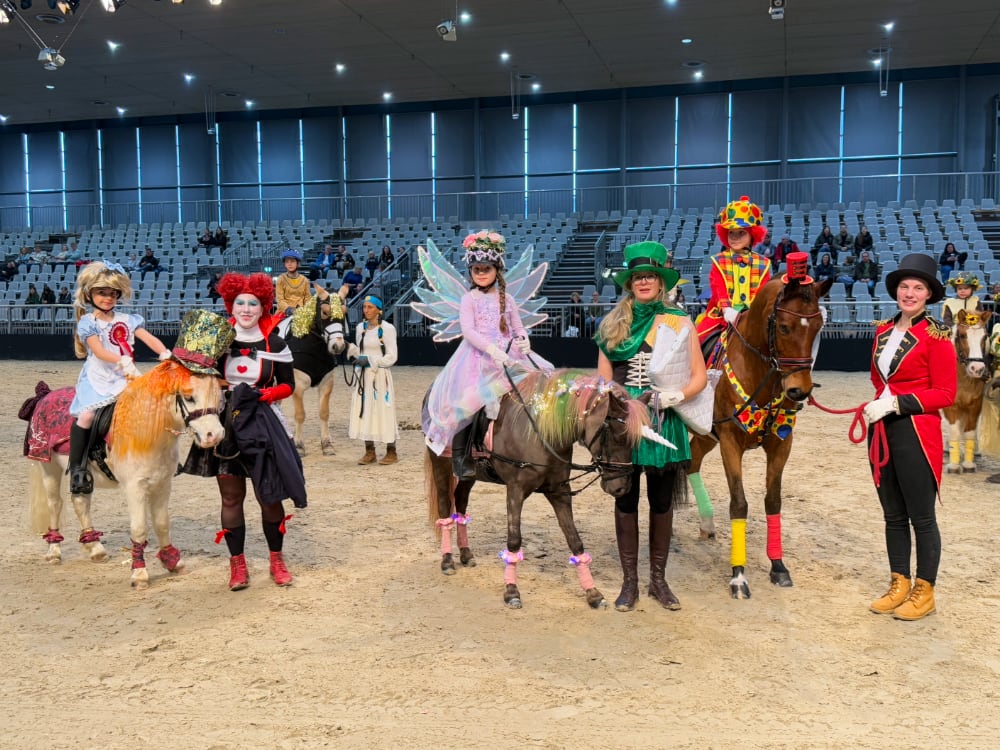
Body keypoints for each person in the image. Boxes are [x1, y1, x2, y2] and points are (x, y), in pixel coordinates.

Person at [596, 241, 707, 612]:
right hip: (624, 420)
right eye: (638, 277)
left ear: (661, 282)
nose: (644, 282)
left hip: (664, 417)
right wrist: (619, 401)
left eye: (650, 276)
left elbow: (699, 376)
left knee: (661, 502)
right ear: (630, 283)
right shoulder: (611, 324)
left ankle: (658, 580)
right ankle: (629, 583)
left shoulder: (679, 321)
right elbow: (603, 378)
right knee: (625, 499)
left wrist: (677, 395)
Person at [179, 272, 306, 591]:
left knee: (269, 496)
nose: (246, 309)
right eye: (240, 303)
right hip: (225, 423)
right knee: (231, 497)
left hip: (264, 422)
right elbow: (192, 374)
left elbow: (288, 385)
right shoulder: (216, 341)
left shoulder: (276, 343)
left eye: (253, 303)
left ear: (263, 307)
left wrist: (266, 394)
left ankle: (276, 560)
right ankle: (237, 565)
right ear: (230, 305)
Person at [862, 253, 956, 621]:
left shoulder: (936, 335)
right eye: (904, 286)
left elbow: (945, 393)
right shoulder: (882, 330)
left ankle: (925, 591)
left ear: (929, 294)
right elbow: (878, 379)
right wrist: (878, 404)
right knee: (893, 515)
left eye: (918, 287)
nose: (910, 293)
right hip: (881, 431)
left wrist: (895, 403)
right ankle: (899, 582)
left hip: (916, 431)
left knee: (922, 517)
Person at [422, 230, 553, 479]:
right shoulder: (469, 299)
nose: (481, 273)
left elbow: (518, 327)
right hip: (477, 358)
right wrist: (492, 350)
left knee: (541, 385)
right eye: (476, 269)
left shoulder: (508, 299)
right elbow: (469, 331)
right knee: (466, 403)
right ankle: (461, 456)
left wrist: (524, 340)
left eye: (486, 269)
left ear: (496, 270)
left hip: (510, 354)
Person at [67, 261, 171, 494]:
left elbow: (149, 338)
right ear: (90, 294)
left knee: (154, 406)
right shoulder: (88, 322)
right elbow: (99, 351)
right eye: (102, 293)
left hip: (125, 376)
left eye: (113, 294)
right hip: (99, 376)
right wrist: (121, 360)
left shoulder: (128, 319)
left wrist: (165, 353)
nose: (108, 298)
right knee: (87, 416)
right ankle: (77, 468)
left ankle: (160, 456)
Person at [695, 195, 771, 351]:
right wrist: (726, 309)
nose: (735, 238)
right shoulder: (718, 260)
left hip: (753, 316)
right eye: (731, 233)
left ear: (752, 234)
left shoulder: (763, 263)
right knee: (696, 340)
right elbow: (718, 289)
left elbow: (763, 293)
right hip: (722, 316)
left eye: (741, 233)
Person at [346, 294, 399, 466]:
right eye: (364, 307)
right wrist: (351, 351)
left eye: (370, 307)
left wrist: (370, 361)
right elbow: (360, 351)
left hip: (380, 376)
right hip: (363, 377)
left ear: (379, 310)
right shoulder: (360, 328)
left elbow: (392, 357)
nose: (366, 310)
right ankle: (370, 451)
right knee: (364, 409)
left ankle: (391, 451)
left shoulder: (388, 329)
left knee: (383, 409)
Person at [275, 249, 310, 315]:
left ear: (298, 263)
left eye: (292, 261)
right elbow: (279, 300)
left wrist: (305, 310)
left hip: (300, 312)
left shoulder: (305, 280)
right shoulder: (281, 279)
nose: (289, 264)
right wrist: (289, 309)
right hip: (284, 312)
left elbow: (307, 298)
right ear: (284, 264)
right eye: (287, 262)